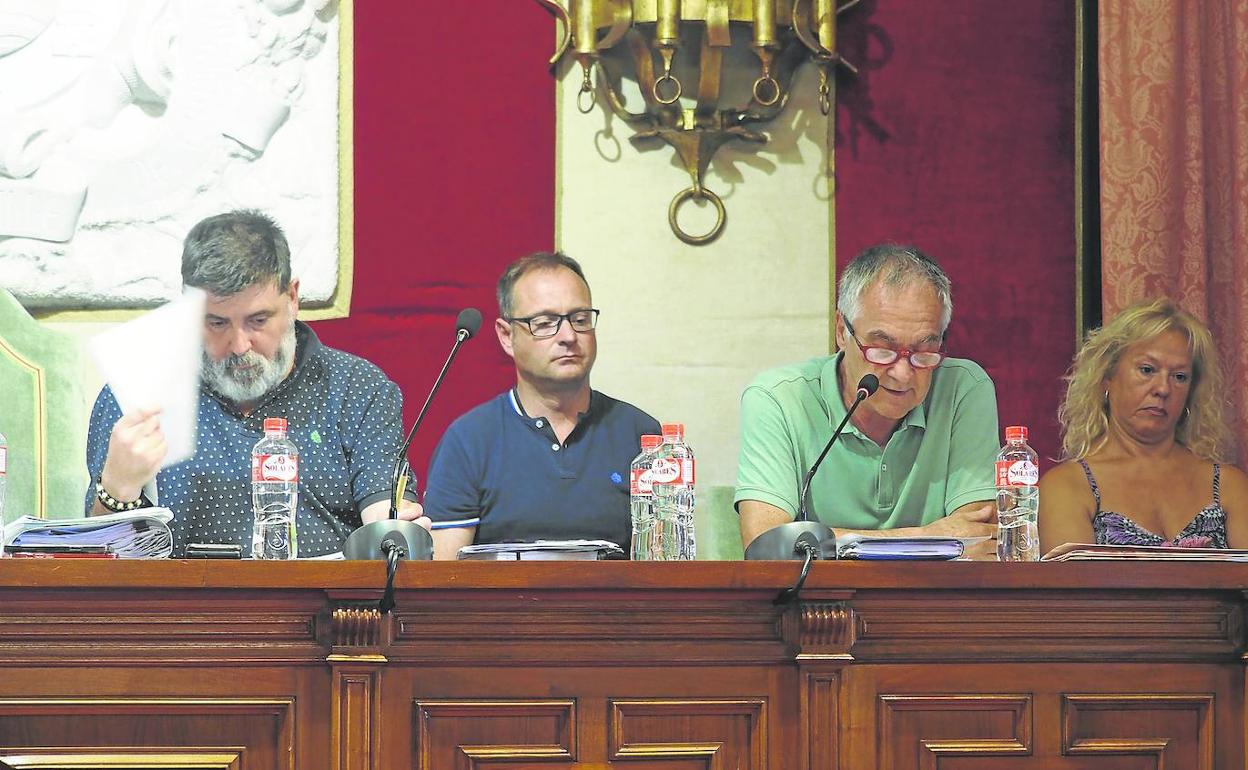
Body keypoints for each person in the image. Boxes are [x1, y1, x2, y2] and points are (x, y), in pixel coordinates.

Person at [85, 209, 427, 556]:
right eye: (216, 323)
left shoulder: (357, 388)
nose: (239, 345)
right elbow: (102, 562)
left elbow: (386, 524)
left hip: (328, 606)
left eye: (258, 320)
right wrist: (116, 488)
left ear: (292, 298)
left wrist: (397, 532)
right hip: (180, 608)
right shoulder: (140, 394)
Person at [735, 244, 1000, 553]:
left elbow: (980, 539)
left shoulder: (964, 388)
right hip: (815, 599)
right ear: (841, 331)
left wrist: (828, 543)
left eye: (924, 351)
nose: (902, 373)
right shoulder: (778, 398)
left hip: (933, 600)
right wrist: (925, 538)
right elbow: (767, 544)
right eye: (882, 350)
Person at [422, 251, 661, 560]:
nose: (568, 336)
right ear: (507, 337)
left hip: (615, 608)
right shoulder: (469, 440)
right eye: (545, 323)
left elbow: (663, 563)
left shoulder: (642, 436)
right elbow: (445, 574)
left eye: (580, 319)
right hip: (500, 607)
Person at [1038, 298, 1248, 552]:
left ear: (1192, 391)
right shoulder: (1068, 486)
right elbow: (1075, 590)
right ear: (1107, 376)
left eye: (1179, 377)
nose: (1162, 389)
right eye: (1147, 370)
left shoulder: (1229, 485)